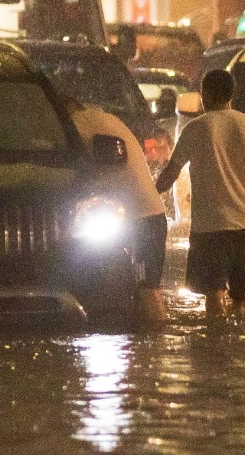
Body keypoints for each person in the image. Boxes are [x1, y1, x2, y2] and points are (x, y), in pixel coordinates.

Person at [155, 69, 245, 317]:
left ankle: (217, 346)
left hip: (210, 225)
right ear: (231, 94)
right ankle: (244, 341)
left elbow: (171, 173)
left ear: (205, 95)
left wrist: (150, 195)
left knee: (213, 293)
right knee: (242, 292)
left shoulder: (196, 128)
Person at [66, 97, 169, 323]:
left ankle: (155, 339)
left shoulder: (76, 125)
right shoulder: (107, 118)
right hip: (144, 216)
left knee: (146, 289)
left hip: (140, 219)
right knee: (142, 289)